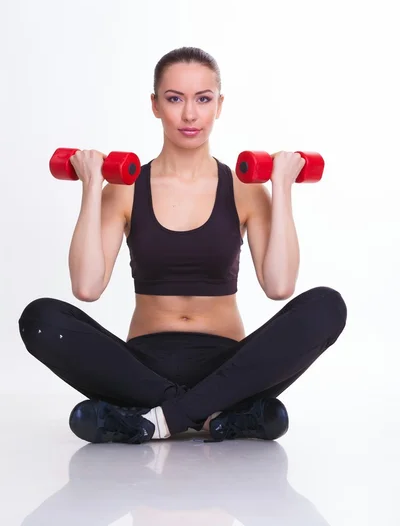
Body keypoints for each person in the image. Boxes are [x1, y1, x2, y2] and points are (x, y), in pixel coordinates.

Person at [19, 47, 347, 445]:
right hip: (142, 366)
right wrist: (91, 186)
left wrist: (281, 187)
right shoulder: (124, 188)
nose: (190, 115)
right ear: (155, 105)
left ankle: (152, 419)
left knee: (327, 306)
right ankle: (223, 416)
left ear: (219, 106)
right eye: (174, 98)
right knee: (40, 319)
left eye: (203, 99)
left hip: (229, 364)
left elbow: (279, 286)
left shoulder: (245, 189)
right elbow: (87, 288)